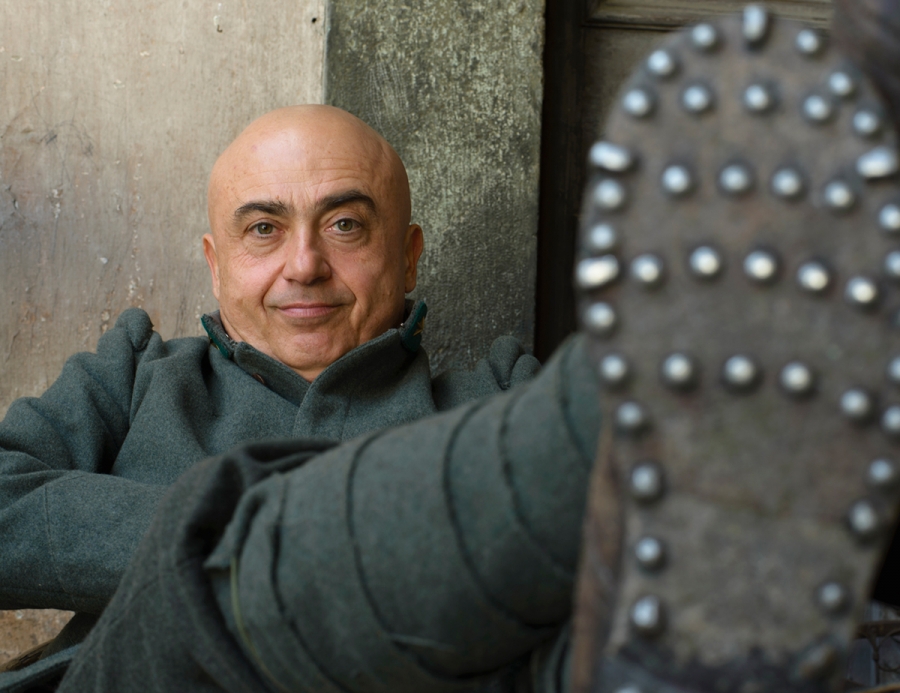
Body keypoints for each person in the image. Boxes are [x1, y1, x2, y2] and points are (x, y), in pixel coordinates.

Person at [0, 105, 584, 691]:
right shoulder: (133, 377)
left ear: (408, 257)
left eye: (345, 225)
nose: (304, 266)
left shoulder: (500, 400)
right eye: (263, 229)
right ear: (216, 266)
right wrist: (256, 546)